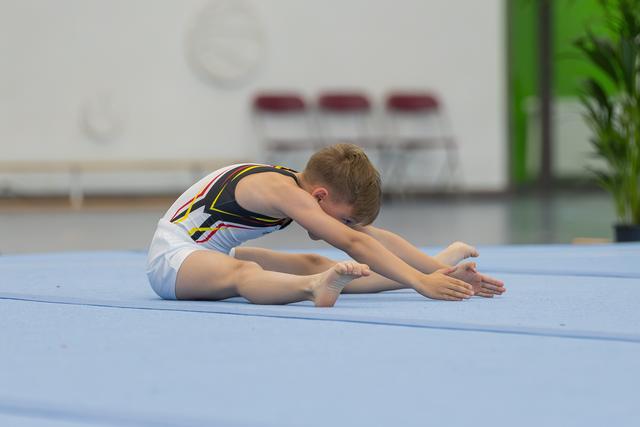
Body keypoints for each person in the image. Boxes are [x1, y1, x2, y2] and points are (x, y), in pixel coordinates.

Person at [146, 144, 505, 307]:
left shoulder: (301, 188)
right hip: (172, 261)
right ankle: (312, 288)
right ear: (319, 196)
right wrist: (420, 283)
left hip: (212, 251)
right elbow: (353, 242)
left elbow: (366, 235)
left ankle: (318, 278)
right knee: (246, 271)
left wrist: (439, 270)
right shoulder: (280, 190)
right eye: (344, 217)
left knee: (319, 261)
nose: (346, 226)